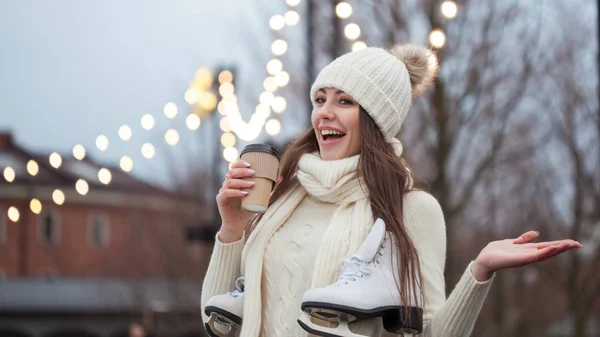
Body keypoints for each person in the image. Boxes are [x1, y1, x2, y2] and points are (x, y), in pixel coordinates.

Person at [200, 43, 581, 337]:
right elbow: (214, 320)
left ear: (375, 119)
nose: (324, 113)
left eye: (344, 101)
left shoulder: (410, 209)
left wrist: (478, 271)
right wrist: (232, 228)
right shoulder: (283, 197)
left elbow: (428, 331)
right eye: (320, 99)